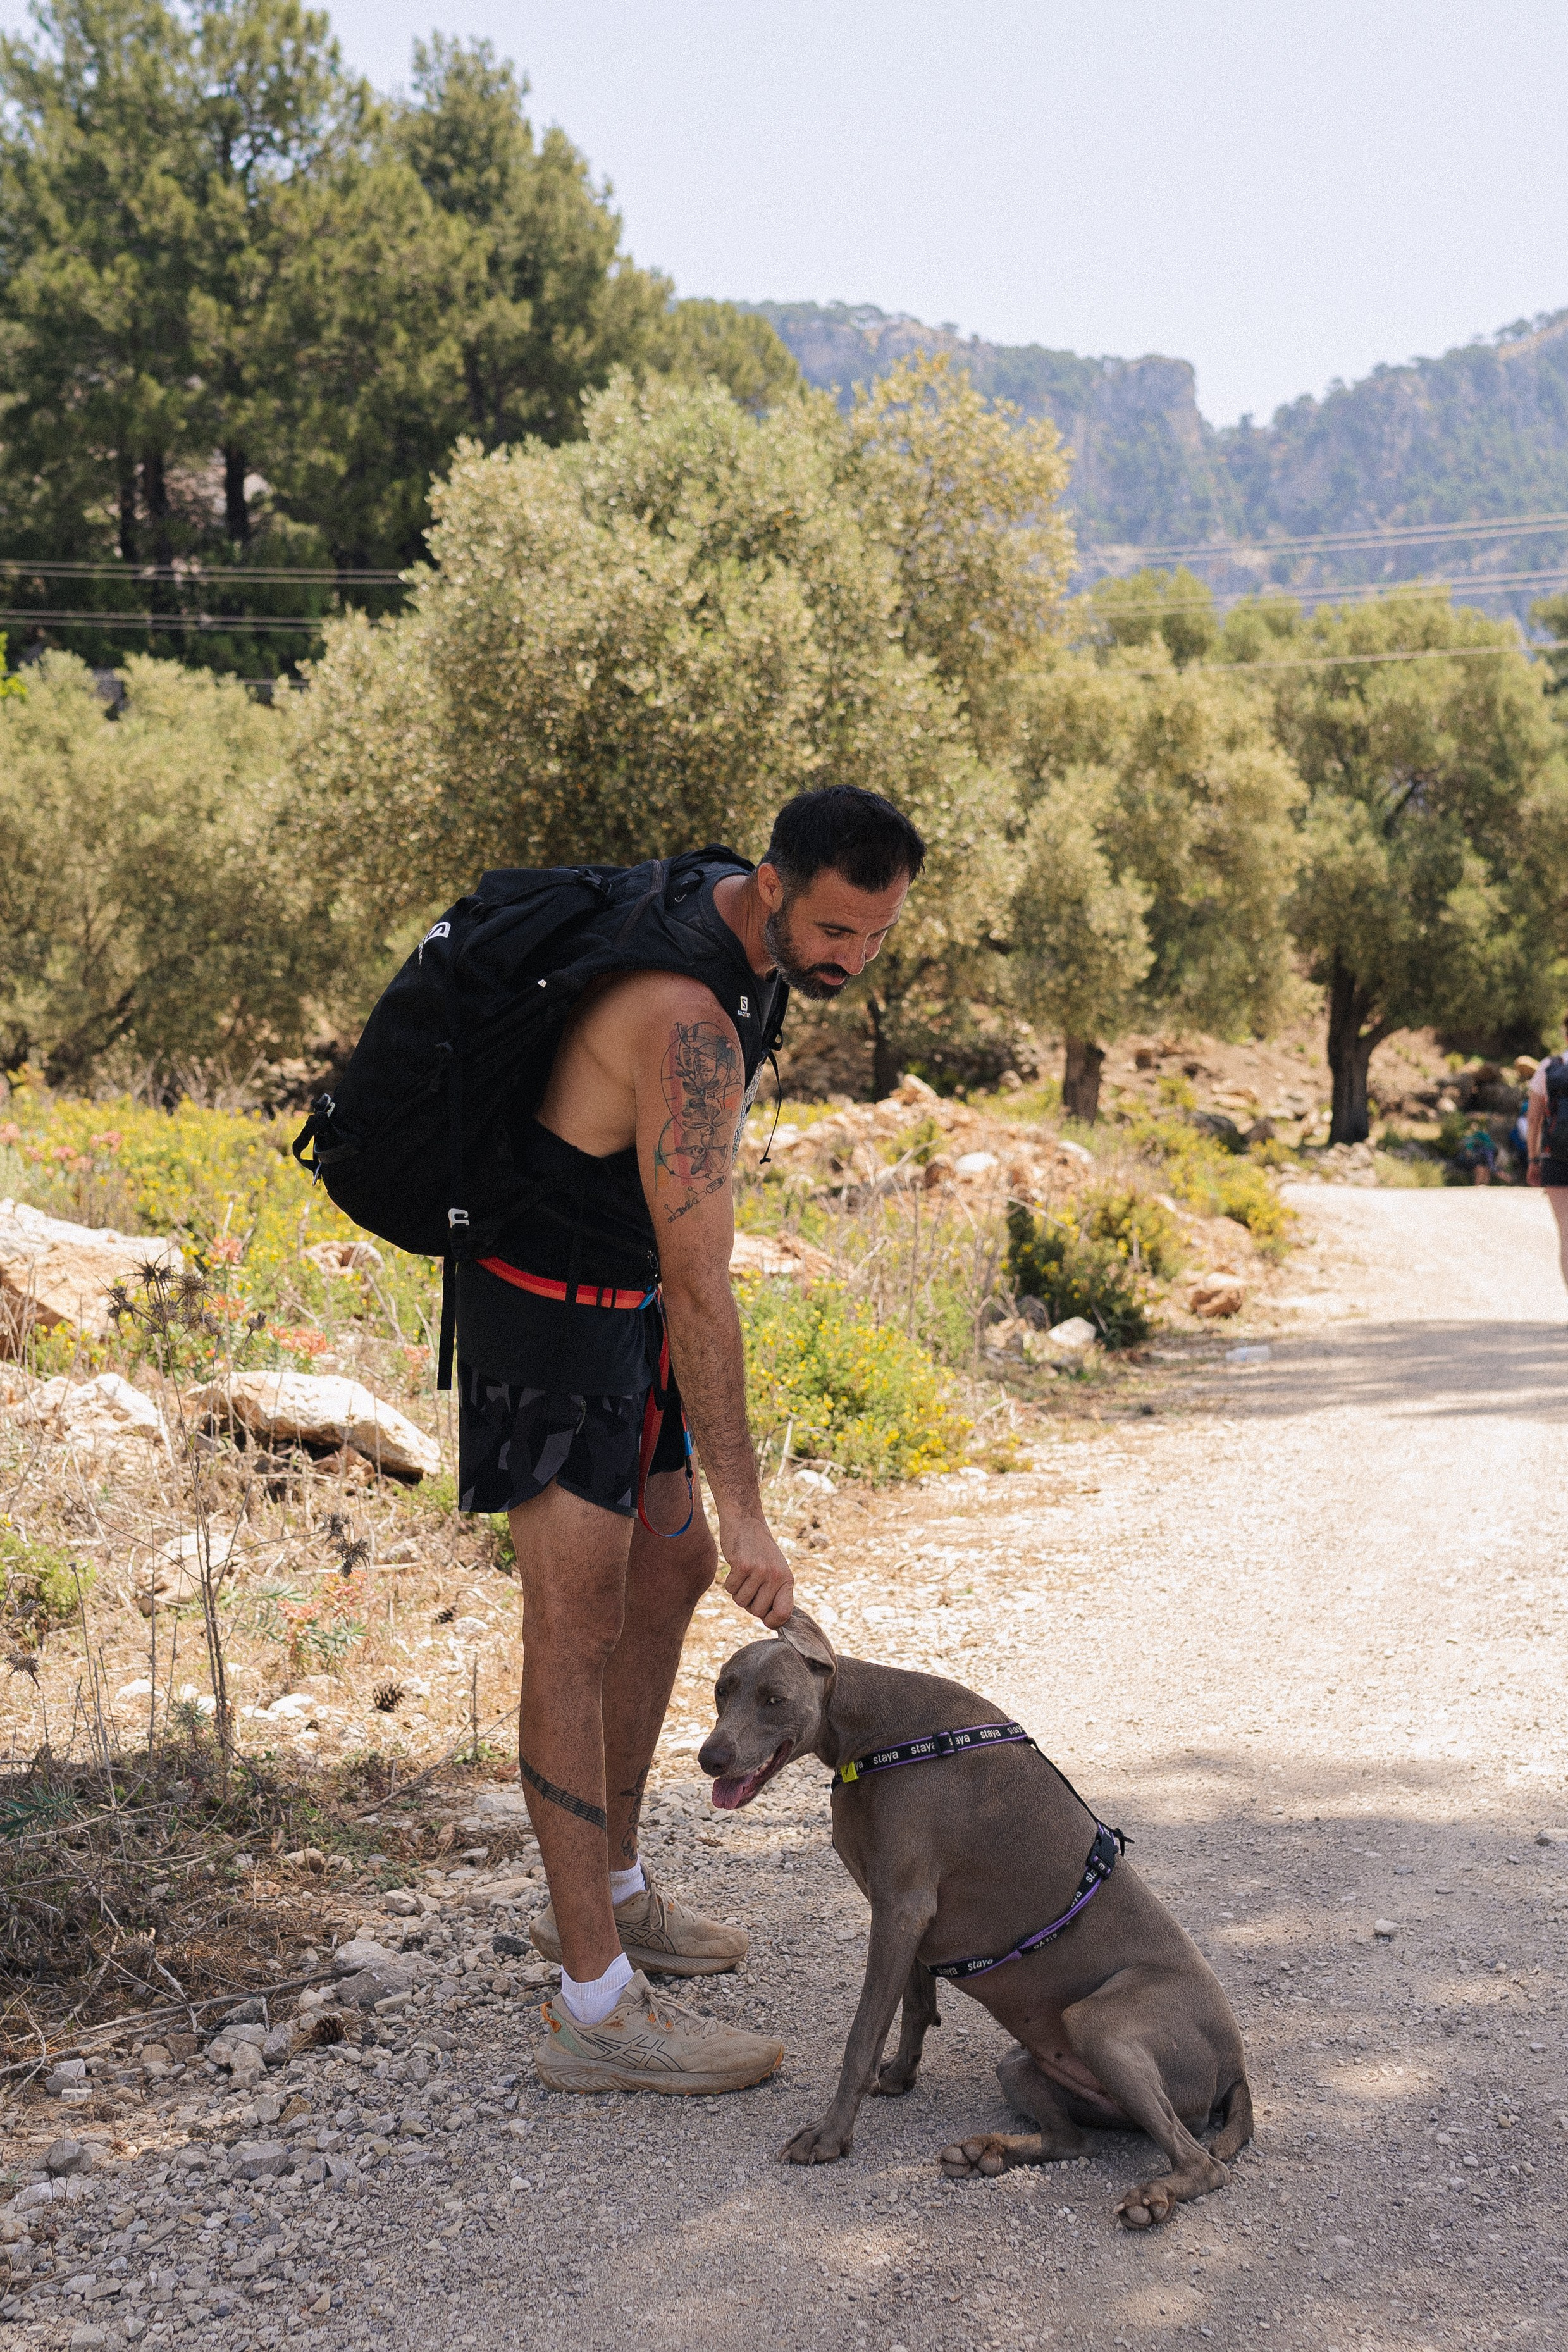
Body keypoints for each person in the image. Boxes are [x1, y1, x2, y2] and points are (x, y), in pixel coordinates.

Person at [455, 786, 925, 2093]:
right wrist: (750, 1511)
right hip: (548, 1319)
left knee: (663, 1575)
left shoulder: (747, 937)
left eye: (877, 937)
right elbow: (706, 1274)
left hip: (623, 1307)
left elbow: (675, 1264)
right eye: (835, 928)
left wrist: (715, 1521)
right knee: (574, 1622)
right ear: (772, 885)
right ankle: (593, 2009)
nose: (850, 958)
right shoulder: (686, 1020)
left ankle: (602, 1886)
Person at [1526, 1022, 1568, 1285]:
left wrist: (1533, 1160)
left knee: (1567, 1234)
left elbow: (1533, 1122)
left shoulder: (1548, 1068)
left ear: (1565, 1032)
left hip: (1556, 1158)